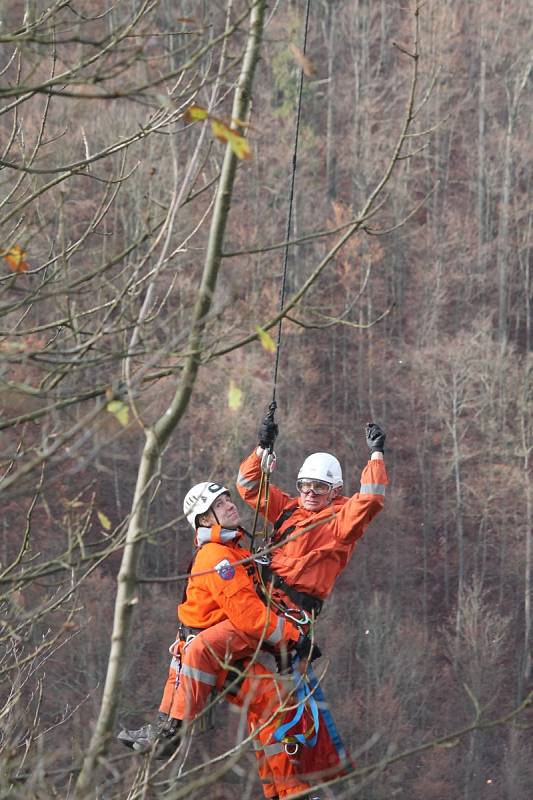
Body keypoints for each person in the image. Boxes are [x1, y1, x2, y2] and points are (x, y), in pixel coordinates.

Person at [118, 481, 322, 799]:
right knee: (264, 697)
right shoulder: (218, 557)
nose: (229, 504)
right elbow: (249, 615)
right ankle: (169, 729)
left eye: (228, 498)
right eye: (219, 503)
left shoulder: (234, 550)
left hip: (224, 655)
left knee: (272, 704)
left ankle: (286, 791)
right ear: (204, 519)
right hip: (211, 653)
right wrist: (292, 639)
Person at [236, 417, 388, 617]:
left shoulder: (339, 523)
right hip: (259, 594)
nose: (310, 492)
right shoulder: (289, 509)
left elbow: (371, 499)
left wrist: (376, 454)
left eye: (319, 487)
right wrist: (262, 449)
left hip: (286, 609)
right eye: (305, 485)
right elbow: (248, 486)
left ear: (335, 491)